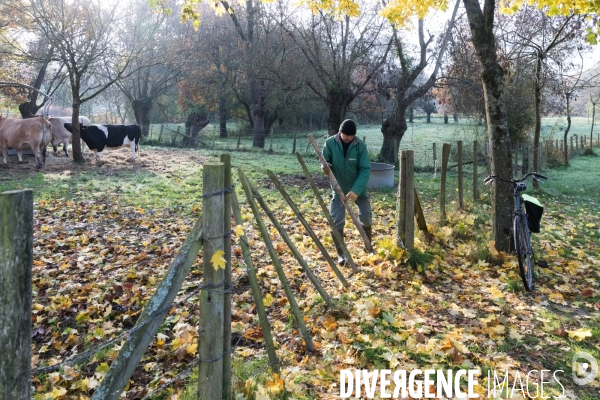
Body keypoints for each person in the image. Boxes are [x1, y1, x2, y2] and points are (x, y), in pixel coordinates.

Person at [321, 119, 372, 265]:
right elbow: (325, 162)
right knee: (337, 220)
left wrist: (356, 190)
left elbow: (365, 170)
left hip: (358, 189)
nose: (348, 138)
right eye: (346, 135)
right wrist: (325, 167)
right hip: (338, 188)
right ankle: (341, 255)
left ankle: (368, 247)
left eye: (351, 136)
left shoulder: (360, 146)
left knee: (366, 216)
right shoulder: (330, 143)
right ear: (340, 132)